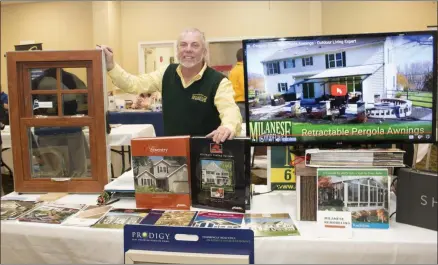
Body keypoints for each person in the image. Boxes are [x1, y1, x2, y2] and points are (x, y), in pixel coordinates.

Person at [98, 28, 242, 143]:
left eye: (195, 45)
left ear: (204, 52)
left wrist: (227, 126)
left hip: (207, 154)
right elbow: (133, 84)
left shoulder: (218, 81)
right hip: (174, 154)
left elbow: (230, 110)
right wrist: (111, 65)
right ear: (178, 50)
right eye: (183, 45)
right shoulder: (166, 73)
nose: (188, 49)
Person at [229, 48, 245, 120]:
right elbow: (244, 87)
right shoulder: (242, 69)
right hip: (243, 103)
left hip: (235, 102)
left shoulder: (233, 70)